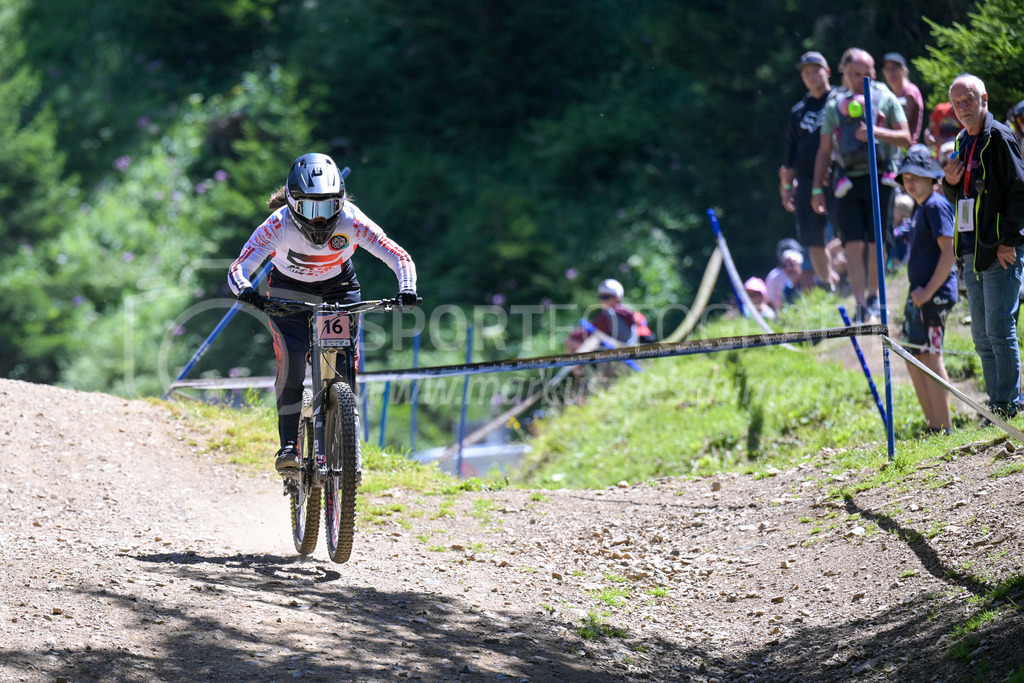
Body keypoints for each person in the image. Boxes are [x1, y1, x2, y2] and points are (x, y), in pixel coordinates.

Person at [228, 153, 419, 473]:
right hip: (289, 291)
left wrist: (407, 288)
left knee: (343, 363)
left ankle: (345, 425)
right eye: (309, 208)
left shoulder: (352, 220)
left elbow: (397, 255)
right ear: (292, 204)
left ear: (341, 203)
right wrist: (247, 291)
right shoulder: (278, 225)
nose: (319, 219)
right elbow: (239, 267)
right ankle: (288, 445)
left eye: (329, 207)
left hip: (338, 289)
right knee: (291, 358)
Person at [941, 74, 1024, 419]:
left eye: (968, 100)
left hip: (999, 250)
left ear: (984, 99)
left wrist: (1009, 240)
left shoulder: (1000, 137)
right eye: (957, 103)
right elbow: (961, 196)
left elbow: (1020, 191)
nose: (962, 108)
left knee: (999, 328)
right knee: (980, 334)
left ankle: (1009, 404)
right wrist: (948, 182)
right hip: (972, 251)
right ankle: (996, 405)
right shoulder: (962, 140)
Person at [811, 48, 912, 323]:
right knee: (852, 245)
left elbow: (906, 138)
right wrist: (817, 188)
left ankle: (874, 298)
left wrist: (876, 132)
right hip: (846, 184)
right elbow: (824, 149)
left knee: (877, 244)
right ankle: (860, 305)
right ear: (844, 72)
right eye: (855, 74)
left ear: (873, 73)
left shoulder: (886, 97)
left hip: (881, 181)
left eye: (866, 74)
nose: (860, 79)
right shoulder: (835, 104)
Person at [897, 145, 957, 433]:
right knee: (915, 356)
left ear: (931, 178)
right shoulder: (921, 208)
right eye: (905, 177)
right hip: (921, 297)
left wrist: (928, 292)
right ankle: (934, 425)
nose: (910, 182)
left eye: (916, 176)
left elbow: (949, 252)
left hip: (933, 297)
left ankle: (944, 428)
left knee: (932, 357)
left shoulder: (935, 205)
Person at [780, 51, 838, 290]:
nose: (811, 76)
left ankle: (844, 274)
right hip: (804, 180)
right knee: (811, 237)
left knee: (846, 228)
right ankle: (828, 284)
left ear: (827, 72)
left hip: (837, 175)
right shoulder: (798, 111)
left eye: (816, 70)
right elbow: (790, 154)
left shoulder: (840, 101)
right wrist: (785, 187)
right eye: (806, 72)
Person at [565, 278, 656, 353]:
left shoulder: (610, 314)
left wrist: (573, 334)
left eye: (606, 297)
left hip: (622, 349)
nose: (602, 301)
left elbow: (588, 332)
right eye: (601, 297)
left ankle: (579, 374)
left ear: (617, 298)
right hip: (627, 347)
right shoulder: (627, 310)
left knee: (573, 342)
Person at [881, 52, 924, 145]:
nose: (891, 73)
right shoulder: (893, 94)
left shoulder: (909, 91)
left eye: (894, 68)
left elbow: (900, 122)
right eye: (887, 69)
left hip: (907, 149)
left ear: (903, 70)